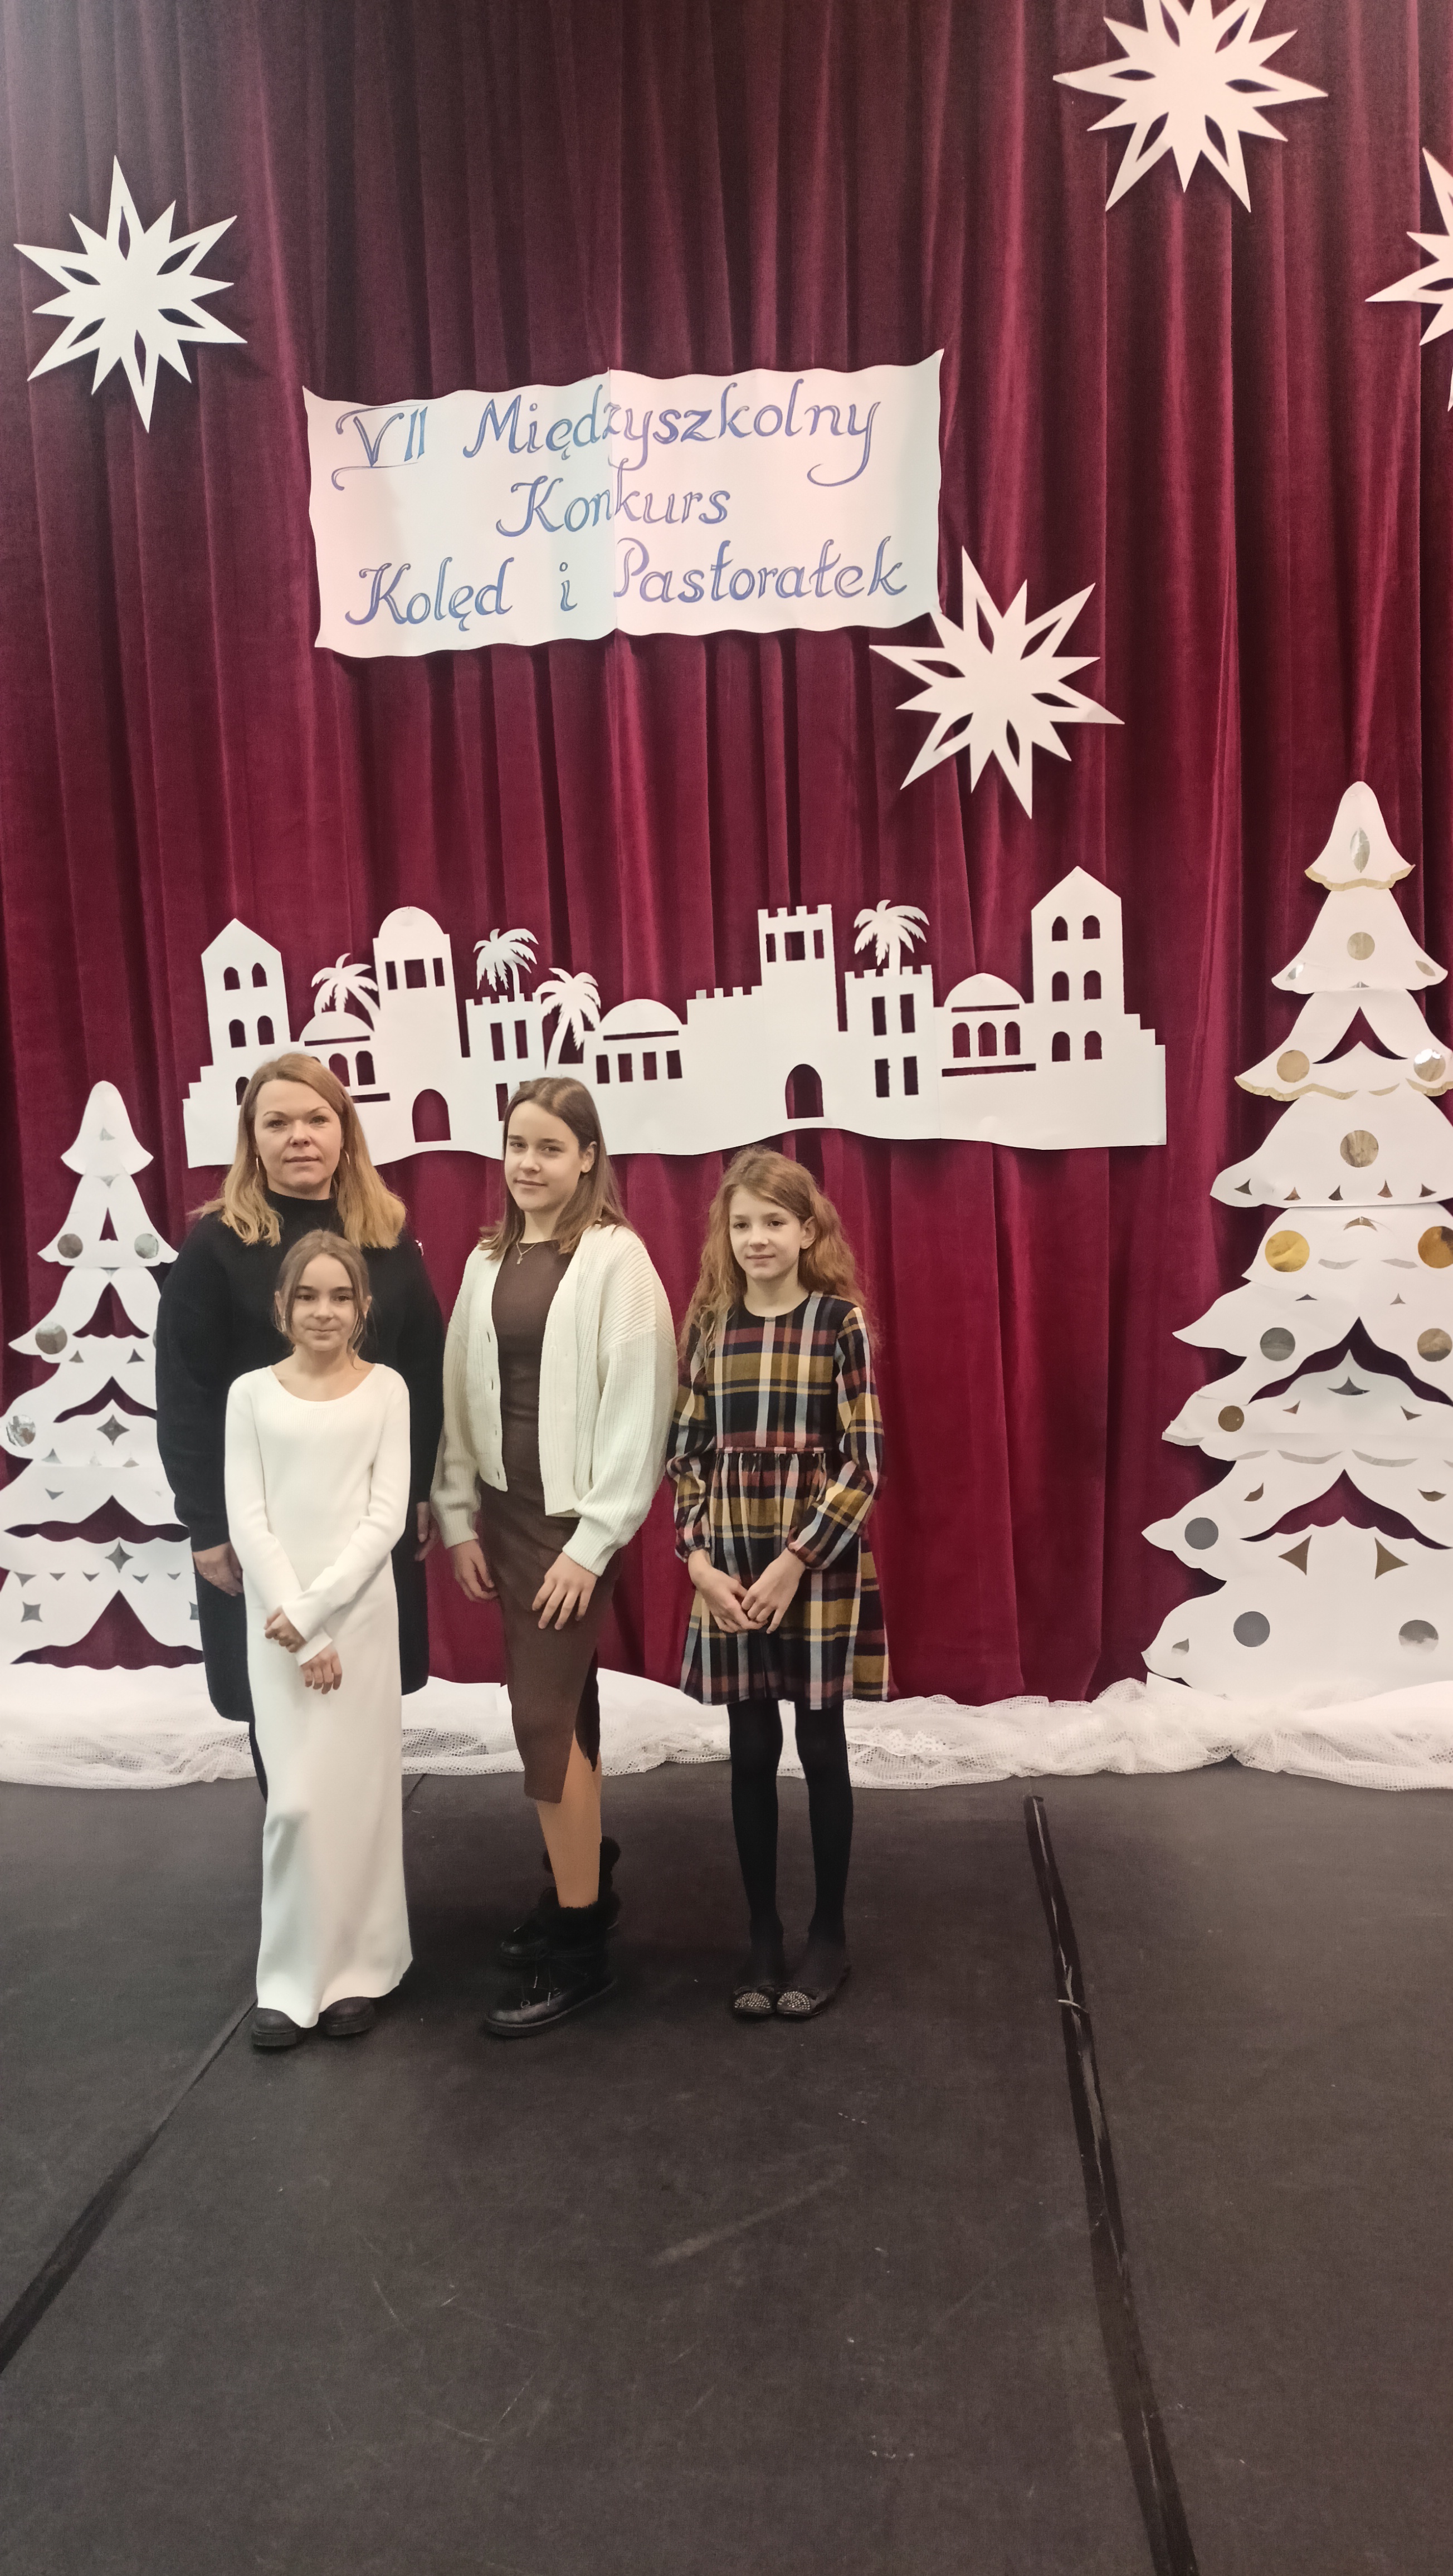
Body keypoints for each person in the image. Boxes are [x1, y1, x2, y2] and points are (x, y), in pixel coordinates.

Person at [432, 1076, 677, 2037]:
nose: (528, 1164)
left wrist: (594, 1541)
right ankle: (585, 1882)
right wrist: (458, 1518)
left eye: (548, 1147)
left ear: (587, 1157)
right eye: (516, 1146)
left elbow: (641, 1405)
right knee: (566, 1707)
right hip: (504, 1511)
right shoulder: (487, 1258)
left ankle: (581, 1949)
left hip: (572, 1523)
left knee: (538, 1718)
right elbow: (459, 1393)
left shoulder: (618, 1260)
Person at [155, 1054, 445, 1793]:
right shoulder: (215, 1247)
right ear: (252, 1139)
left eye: (317, 1119)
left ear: (345, 1131)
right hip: (263, 1528)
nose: (300, 1137)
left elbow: (422, 1372)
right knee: (279, 1696)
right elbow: (185, 1393)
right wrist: (206, 1524)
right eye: (277, 1122)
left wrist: (419, 1490)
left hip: (367, 1518)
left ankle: (359, 1853)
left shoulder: (388, 1237)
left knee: (365, 1690)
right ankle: (295, 1844)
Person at [668, 1149, 888, 2022]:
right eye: (741, 1223)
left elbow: (864, 1463)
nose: (756, 1238)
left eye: (773, 1222)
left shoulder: (839, 1323)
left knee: (821, 1747)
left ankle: (828, 1935)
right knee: (752, 1748)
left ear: (807, 1231)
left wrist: (797, 1559)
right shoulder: (711, 1325)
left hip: (812, 1565)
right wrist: (699, 1563)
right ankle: (761, 1935)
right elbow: (687, 1457)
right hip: (730, 1562)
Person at [225, 1233, 412, 2049]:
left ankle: (361, 1969)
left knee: (358, 1801)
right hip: (278, 1628)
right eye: (308, 1296)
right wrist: (301, 1628)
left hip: (360, 1621)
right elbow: (249, 1519)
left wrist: (324, 1610)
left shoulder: (387, 1391)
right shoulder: (250, 1396)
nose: (324, 1312)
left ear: (362, 1306)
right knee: (296, 1804)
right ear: (282, 1306)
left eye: (340, 1297)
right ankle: (290, 1977)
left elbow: (386, 1518)